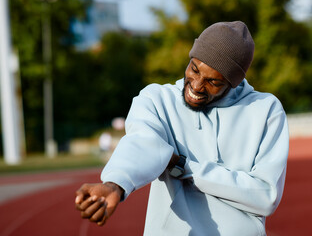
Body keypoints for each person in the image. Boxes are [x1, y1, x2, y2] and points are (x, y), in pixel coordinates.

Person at [75, 21, 289, 236]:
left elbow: (266, 196)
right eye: (194, 69)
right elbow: (142, 143)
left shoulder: (266, 110)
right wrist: (115, 183)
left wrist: (181, 165)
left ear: (233, 82)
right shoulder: (156, 100)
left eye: (213, 81)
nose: (196, 85)